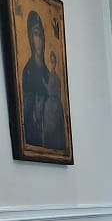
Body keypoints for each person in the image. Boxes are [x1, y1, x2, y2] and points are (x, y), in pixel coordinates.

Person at [21, 10, 65, 150]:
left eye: (41, 34)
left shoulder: (48, 73)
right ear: (30, 38)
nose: (39, 38)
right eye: (35, 33)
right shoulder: (27, 72)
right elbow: (27, 112)